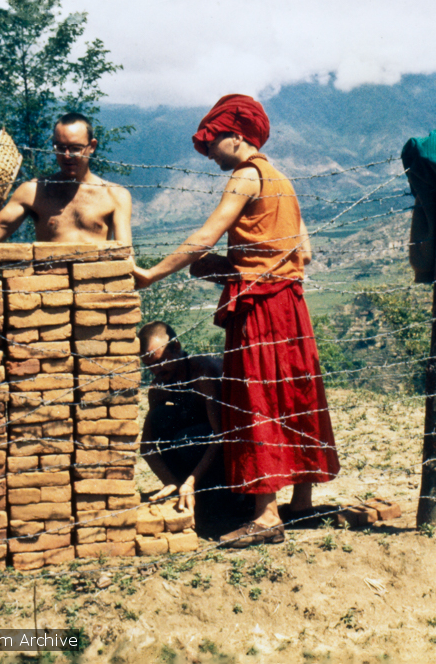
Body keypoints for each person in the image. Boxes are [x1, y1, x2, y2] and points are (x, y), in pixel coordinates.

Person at [134, 94, 339, 547]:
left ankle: (265, 517)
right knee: (294, 392)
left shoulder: (247, 176)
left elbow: (207, 235)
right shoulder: (282, 180)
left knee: (257, 398)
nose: (208, 153)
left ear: (237, 136)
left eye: (212, 142)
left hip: (261, 310)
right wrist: (240, 265)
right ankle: (301, 502)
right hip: (292, 304)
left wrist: (151, 273)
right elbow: (301, 252)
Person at [0, 112, 132, 244]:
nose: (67, 156)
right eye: (60, 148)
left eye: (75, 148)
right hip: (50, 284)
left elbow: (125, 255)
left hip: (95, 284)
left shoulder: (115, 196)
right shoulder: (33, 191)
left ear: (92, 146)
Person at [138, 321, 223, 513]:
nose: (156, 371)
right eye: (149, 366)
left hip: (226, 448)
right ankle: (181, 488)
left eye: (160, 362)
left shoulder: (202, 373)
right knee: (160, 417)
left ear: (176, 347)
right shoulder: (159, 387)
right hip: (198, 447)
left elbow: (222, 435)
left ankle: (215, 492)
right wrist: (169, 480)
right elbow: (147, 446)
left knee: (186, 439)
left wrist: (191, 481)